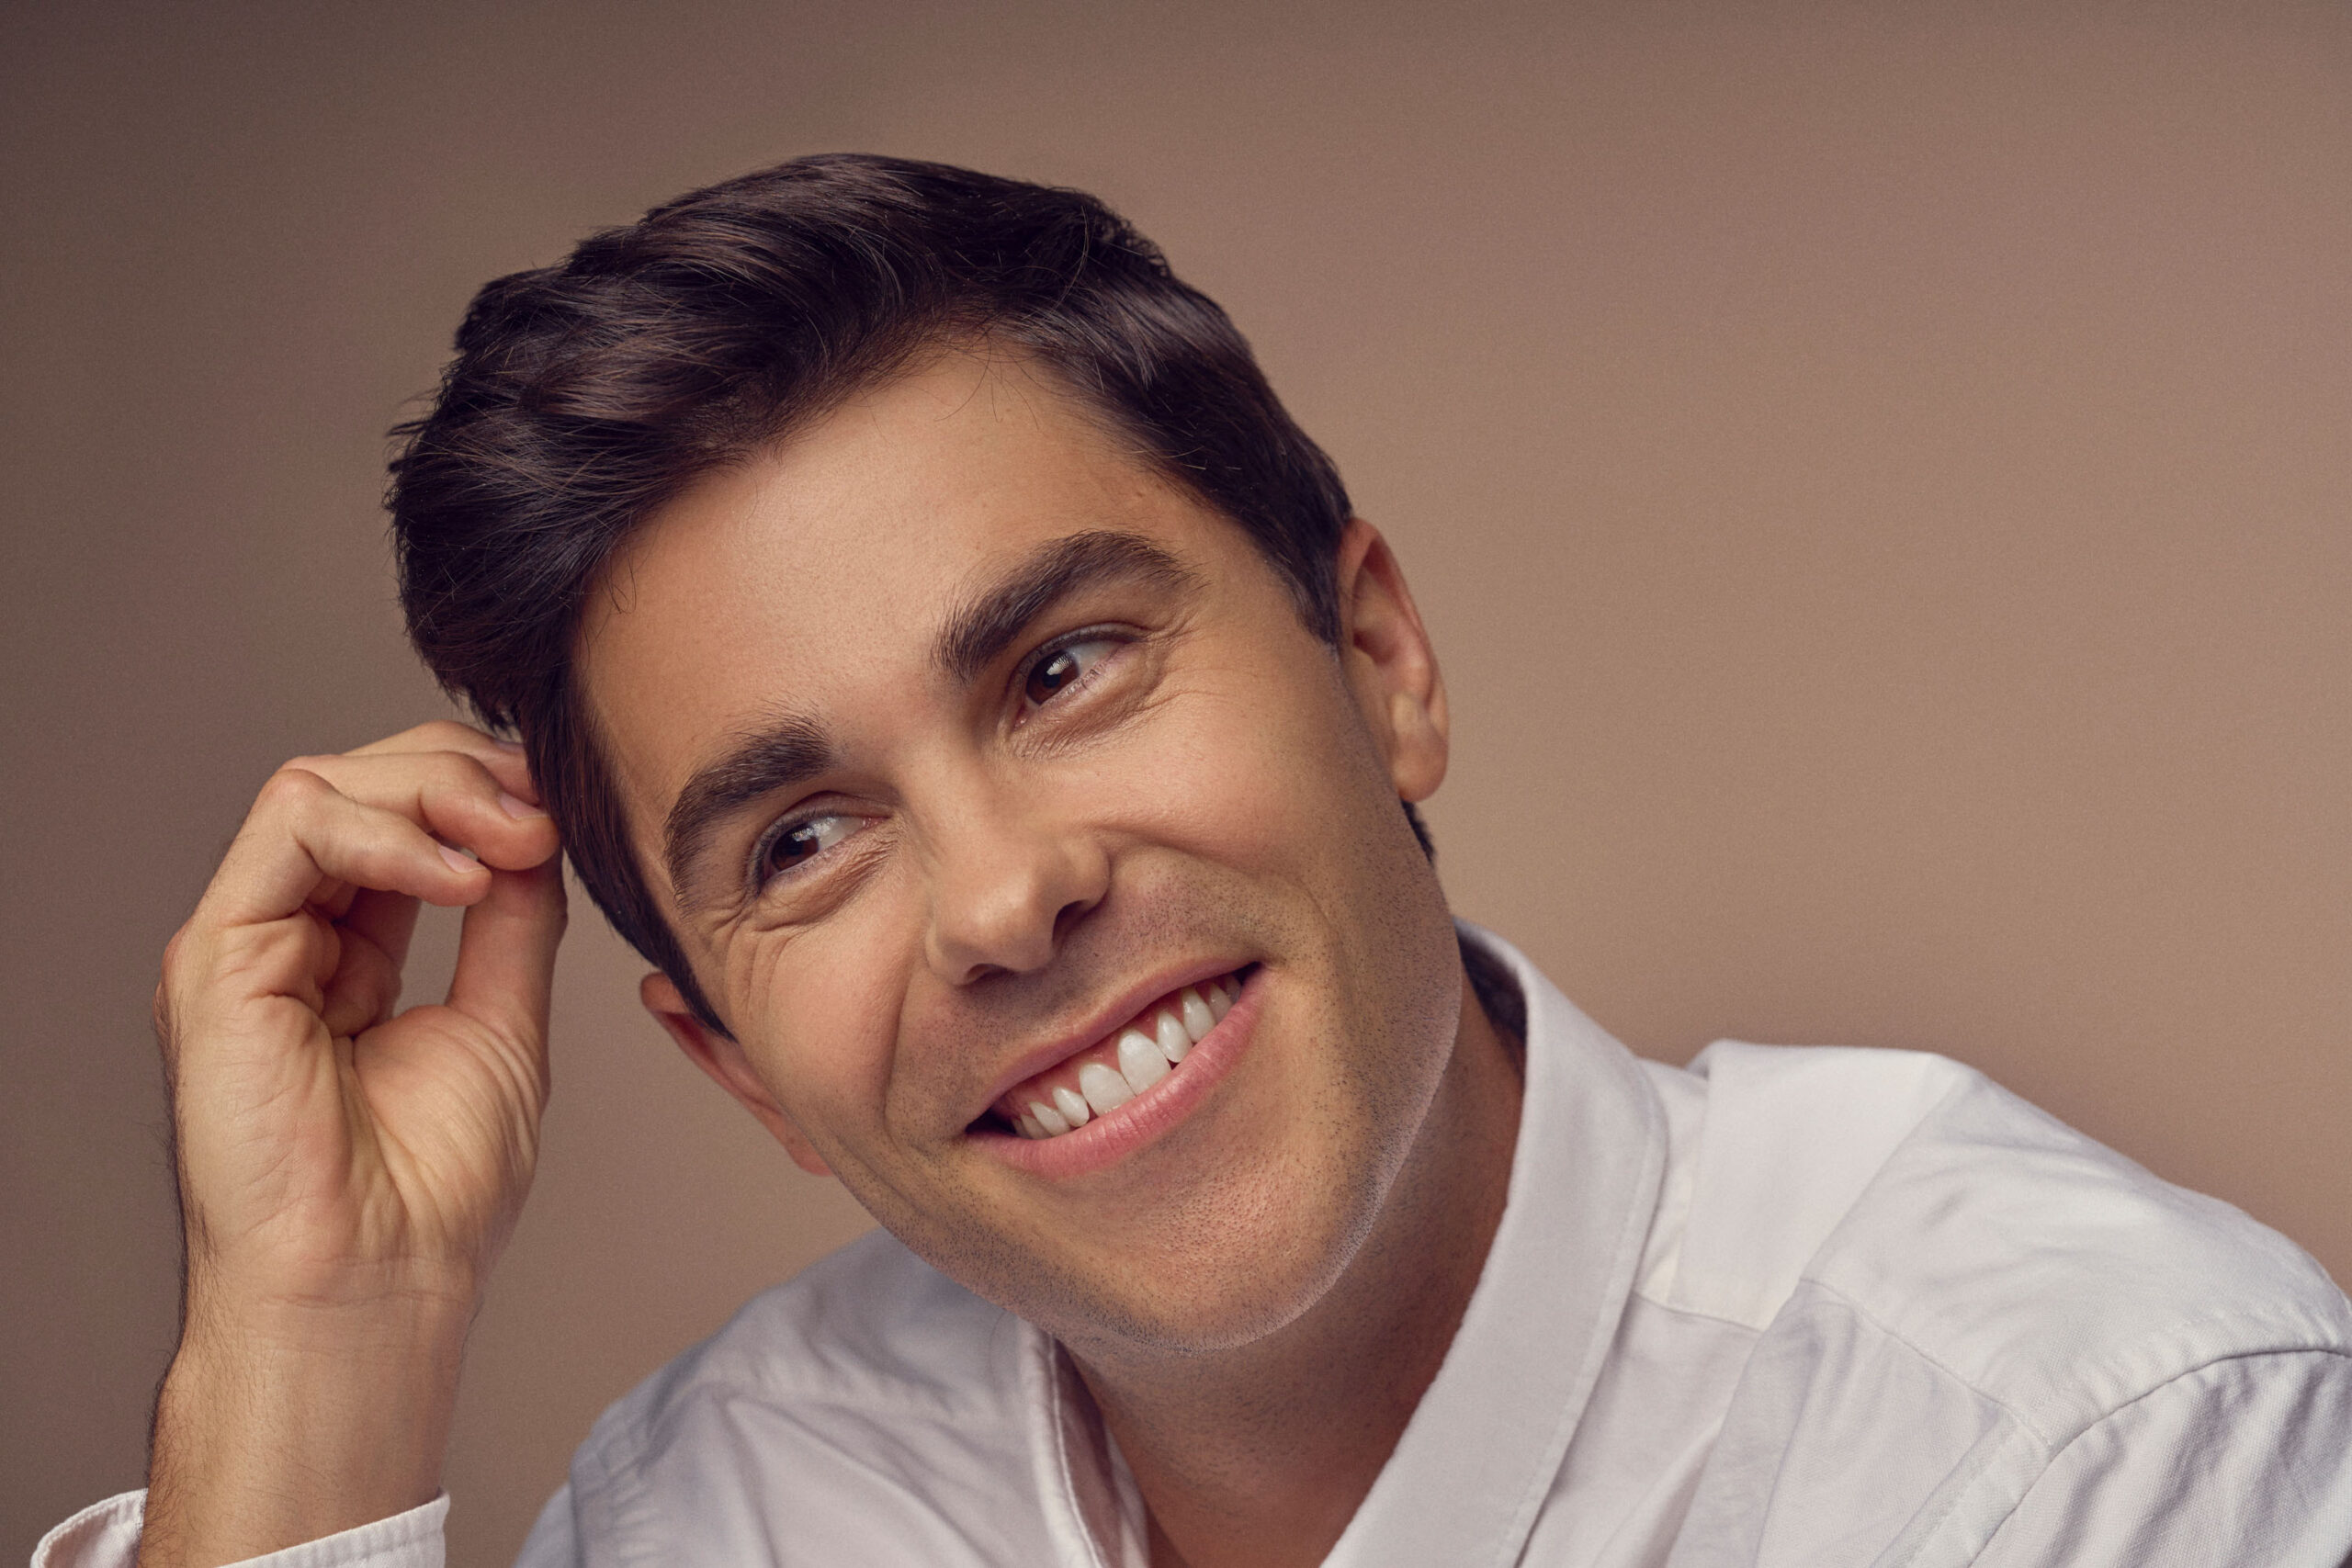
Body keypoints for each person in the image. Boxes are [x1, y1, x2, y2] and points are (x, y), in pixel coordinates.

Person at [37, 155, 2352, 1568]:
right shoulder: (745, 1498)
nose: (1000, 896)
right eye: (807, 834)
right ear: (736, 1065)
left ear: (1377, 658)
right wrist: (312, 1344)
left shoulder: (2090, 1445)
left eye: (1060, 667)